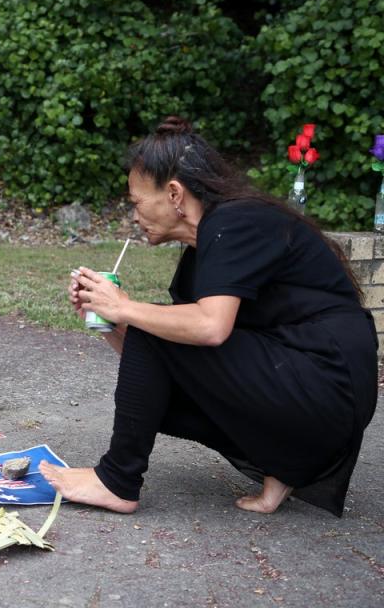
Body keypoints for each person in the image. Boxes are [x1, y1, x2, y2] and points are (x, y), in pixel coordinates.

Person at [39, 117, 378, 516]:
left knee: (159, 325)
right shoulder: (205, 252)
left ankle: (117, 480)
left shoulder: (236, 221)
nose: (134, 215)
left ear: (174, 193)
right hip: (306, 387)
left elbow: (211, 328)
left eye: (136, 202)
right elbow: (158, 363)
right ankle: (280, 468)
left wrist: (127, 307)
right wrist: (109, 320)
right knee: (158, 365)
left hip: (329, 383)